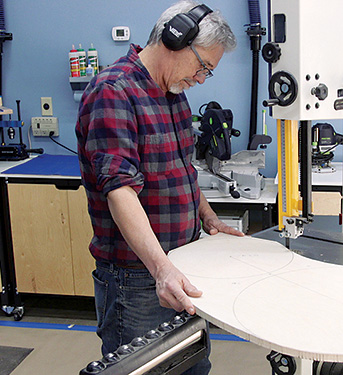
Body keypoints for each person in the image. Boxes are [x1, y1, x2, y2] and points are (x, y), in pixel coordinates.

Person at [75, 1, 241, 373]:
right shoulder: (113, 91)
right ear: (175, 39)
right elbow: (119, 190)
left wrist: (210, 220)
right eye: (203, 67)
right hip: (139, 279)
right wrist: (161, 269)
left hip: (179, 268)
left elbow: (183, 170)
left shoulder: (173, 94)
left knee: (193, 366)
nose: (201, 79)